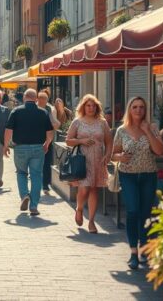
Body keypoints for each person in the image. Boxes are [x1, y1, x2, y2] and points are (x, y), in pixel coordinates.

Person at [112, 96, 163, 270]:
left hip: (148, 175)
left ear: (145, 110)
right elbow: (112, 154)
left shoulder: (152, 128)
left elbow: (160, 151)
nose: (138, 110)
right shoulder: (122, 130)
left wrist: (148, 132)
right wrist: (119, 157)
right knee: (133, 211)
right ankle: (133, 252)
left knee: (145, 213)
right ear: (130, 109)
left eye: (141, 107)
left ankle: (144, 249)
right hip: (128, 175)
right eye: (135, 107)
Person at [4, 89, 55, 216]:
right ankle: (33, 205)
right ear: (36, 98)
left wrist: (5, 145)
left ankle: (24, 195)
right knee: (36, 175)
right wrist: (47, 144)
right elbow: (50, 132)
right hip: (38, 148)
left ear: (25, 98)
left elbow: (8, 130)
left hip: (20, 148)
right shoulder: (43, 112)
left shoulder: (16, 111)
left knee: (21, 173)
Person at [65, 94, 112, 233]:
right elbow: (68, 140)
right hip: (82, 160)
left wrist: (108, 155)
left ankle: (91, 221)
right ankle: (79, 208)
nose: (91, 108)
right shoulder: (77, 122)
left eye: (93, 106)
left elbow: (109, 142)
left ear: (97, 107)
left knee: (93, 189)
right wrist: (81, 141)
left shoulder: (102, 122)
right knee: (84, 188)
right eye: (88, 105)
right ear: (83, 107)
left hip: (98, 160)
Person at [37, 91, 61, 193]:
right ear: (37, 99)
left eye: (45, 99)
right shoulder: (33, 108)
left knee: (46, 162)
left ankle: (45, 185)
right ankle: (39, 183)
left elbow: (56, 124)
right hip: (35, 140)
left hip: (48, 139)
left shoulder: (50, 109)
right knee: (37, 163)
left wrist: (51, 119)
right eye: (41, 99)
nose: (43, 101)